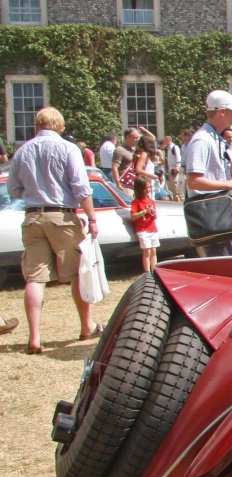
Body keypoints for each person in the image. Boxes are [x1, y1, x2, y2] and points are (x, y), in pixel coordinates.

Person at [8, 106, 101, 354]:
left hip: (32, 216)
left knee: (35, 278)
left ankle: (35, 337)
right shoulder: (68, 148)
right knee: (78, 273)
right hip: (62, 214)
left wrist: (33, 191)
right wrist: (91, 217)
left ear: (37, 126)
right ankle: (86, 325)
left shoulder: (22, 150)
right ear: (60, 126)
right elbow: (81, 187)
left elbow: (13, 189)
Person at [184, 89, 232, 257]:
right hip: (212, 216)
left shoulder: (214, 138)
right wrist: (229, 184)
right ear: (222, 112)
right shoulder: (202, 140)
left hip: (221, 213)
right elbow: (194, 181)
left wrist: (231, 172)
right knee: (223, 268)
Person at [130, 177, 159, 272]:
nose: (148, 190)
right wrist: (144, 212)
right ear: (139, 189)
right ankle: (147, 272)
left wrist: (154, 213)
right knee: (147, 251)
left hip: (152, 228)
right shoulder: (136, 202)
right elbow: (133, 216)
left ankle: (154, 270)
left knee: (154, 251)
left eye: (149, 187)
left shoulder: (151, 201)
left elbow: (154, 215)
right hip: (143, 230)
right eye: (145, 188)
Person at [112, 127, 140, 194]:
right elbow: (114, 167)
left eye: (138, 137)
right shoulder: (120, 150)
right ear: (127, 137)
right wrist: (118, 184)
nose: (137, 140)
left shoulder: (135, 149)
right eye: (135, 137)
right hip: (125, 185)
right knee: (129, 203)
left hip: (135, 184)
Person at [161, 135, 181, 201]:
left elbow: (178, 157)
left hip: (174, 168)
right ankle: (175, 199)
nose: (164, 142)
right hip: (170, 168)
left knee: (175, 184)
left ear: (168, 140)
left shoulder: (174, 147)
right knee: (171, 185)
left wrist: (177, 168)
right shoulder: (168, 149)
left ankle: (178, 199)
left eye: (165, 141)